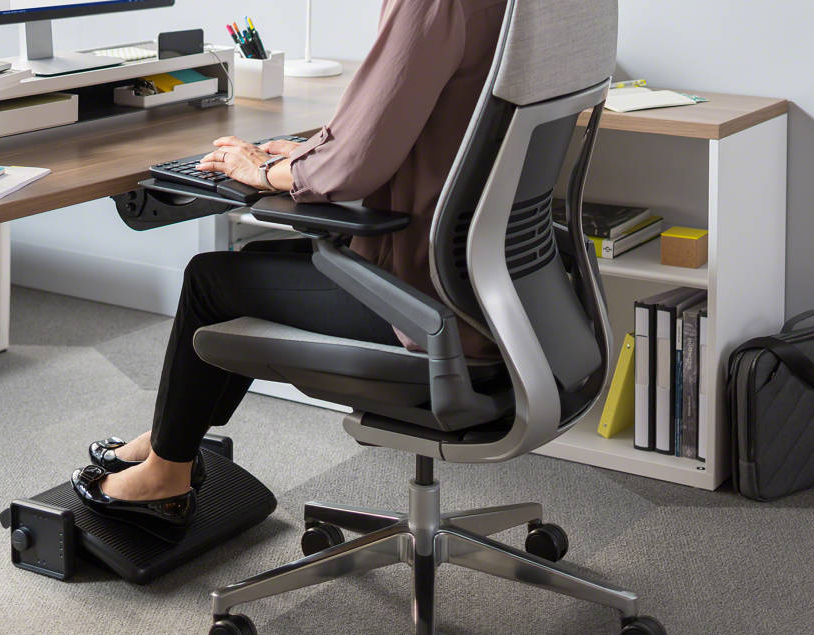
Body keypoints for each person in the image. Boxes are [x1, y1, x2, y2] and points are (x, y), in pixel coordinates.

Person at [72, 0, 508, 537]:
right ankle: (172, 440)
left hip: (429, 312)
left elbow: (352, 168)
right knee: (254, 263)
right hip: (497, 297)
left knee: (211, 281)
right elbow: (397, 121)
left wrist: (269, 169)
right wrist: (309, 152)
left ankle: (166, 475)